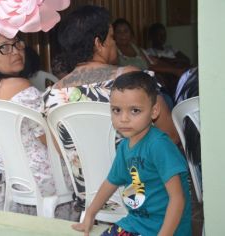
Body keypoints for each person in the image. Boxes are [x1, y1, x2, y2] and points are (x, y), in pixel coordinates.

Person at [43, 5, 180, 205]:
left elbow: (64, 152)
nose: (115, 43)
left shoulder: (52, 94)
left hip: (90, 198)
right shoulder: (133, 79)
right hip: (142, 196)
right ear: (98, 43)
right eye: (112, 37)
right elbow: (171, 136)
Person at [72, 71, 191, 236]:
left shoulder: (159, 145)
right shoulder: (124, 147)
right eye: (116, 110)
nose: (124, 118)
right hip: (135, 224)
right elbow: (110, 183)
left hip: (166, 230)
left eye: (135, 110)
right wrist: (90, 215)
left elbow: (178, 199)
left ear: (154, 111)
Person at [0, 26, 71, 200]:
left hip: (16, 176)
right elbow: (47, 138)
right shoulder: (21, 85)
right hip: (46, 176)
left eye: (18, 44)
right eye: (4, 48)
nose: (15, 52)